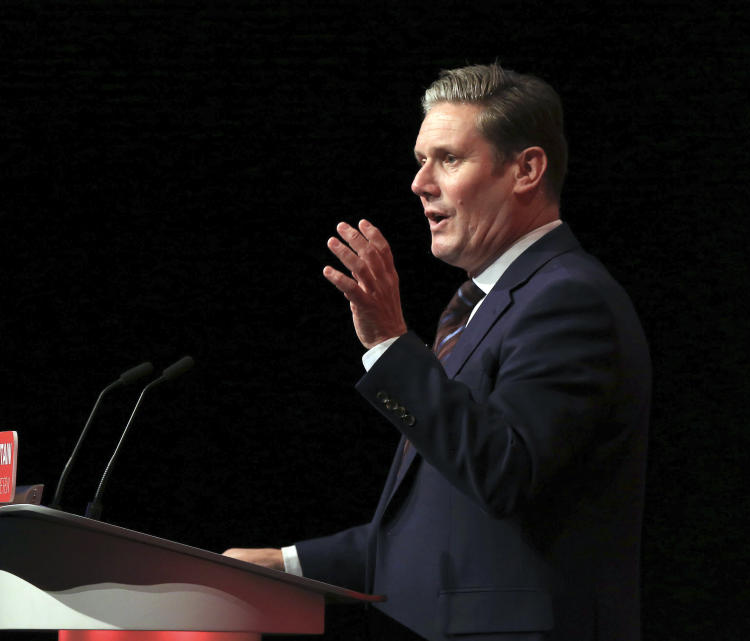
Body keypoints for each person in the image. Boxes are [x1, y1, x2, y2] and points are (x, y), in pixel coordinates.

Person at [225, 63, 650, 641]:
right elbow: (440, 524)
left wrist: (390, 344)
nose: (420, 183)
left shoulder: (569, 299)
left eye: (449, 159)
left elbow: (502, 471)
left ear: (526, 169)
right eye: (421, 160)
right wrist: (288, 563)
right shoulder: (479, 303)